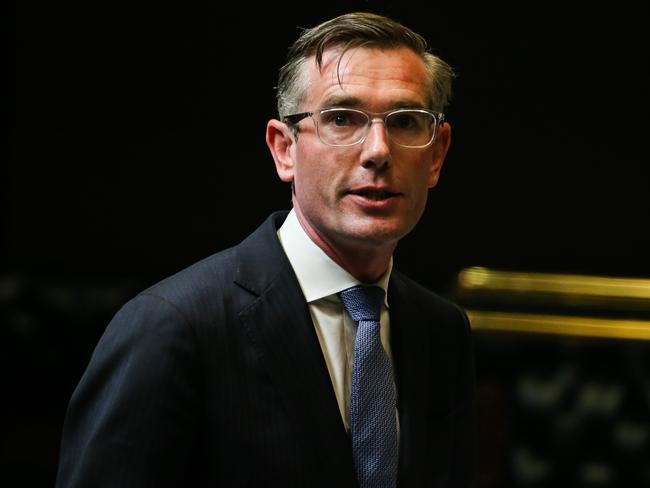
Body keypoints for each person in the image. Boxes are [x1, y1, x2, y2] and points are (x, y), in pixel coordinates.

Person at [55, 11, 476, 488]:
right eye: (341, 118)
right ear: (284, 149)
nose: (378, 150)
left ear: (437, 154)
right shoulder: (174, 325)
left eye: (404, 122)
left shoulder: (441, 331)